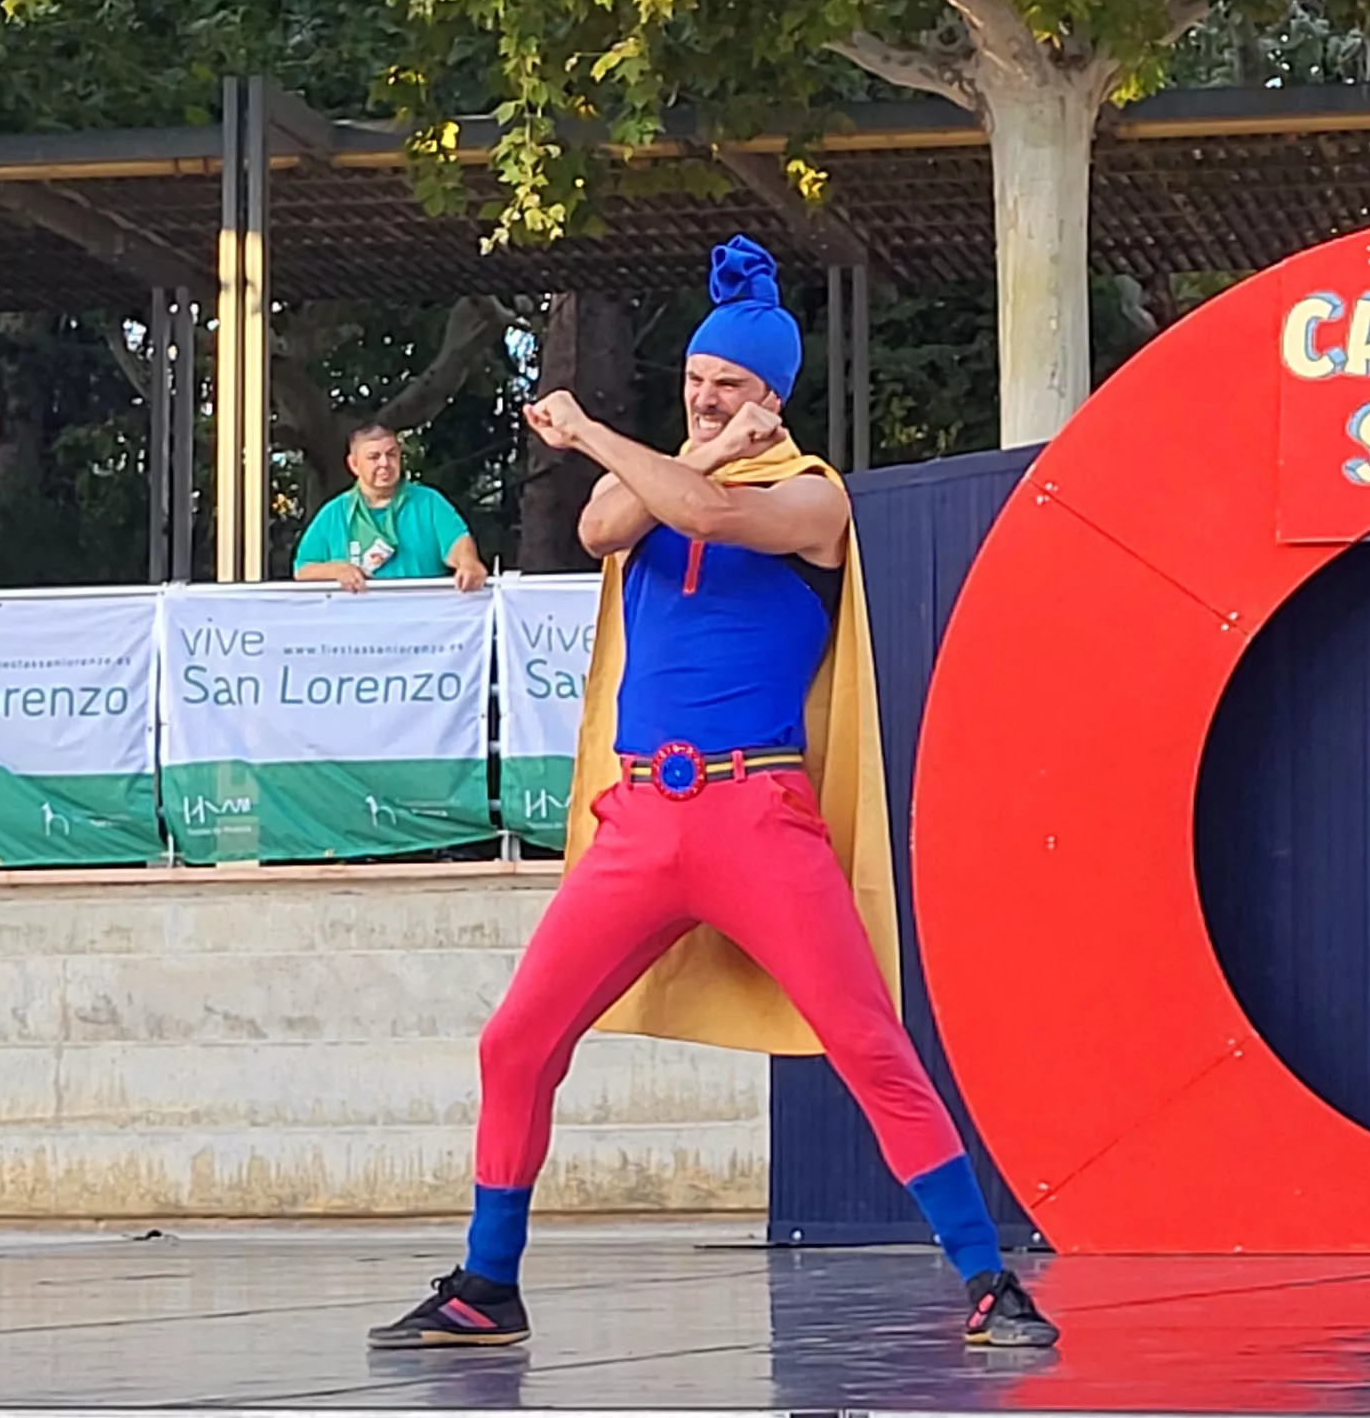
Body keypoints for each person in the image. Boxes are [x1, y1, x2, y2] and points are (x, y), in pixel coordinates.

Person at [370, 236, 1056, 1353]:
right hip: (641, 821)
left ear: (771, 400)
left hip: (753, 815)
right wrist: (667, 456)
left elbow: (711, 515)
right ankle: (487, 1283)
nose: (701, 398)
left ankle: (989, 1278)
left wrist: (597, 431)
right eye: (692, 381)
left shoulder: (809, 498)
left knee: (866, 1041)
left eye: (725, 385)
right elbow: (602, 527)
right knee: (517, 1041)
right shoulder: (655, 491)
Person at [293, 425, 487, 594]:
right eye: (374, 457)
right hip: (357, 627)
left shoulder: (429, 502)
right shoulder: (334, 513)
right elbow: (303, 570)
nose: (385, 463)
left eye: (391, 454)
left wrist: (469, 564)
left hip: (423, 625)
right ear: (353, 464)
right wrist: (336, 571)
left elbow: (458, 544)